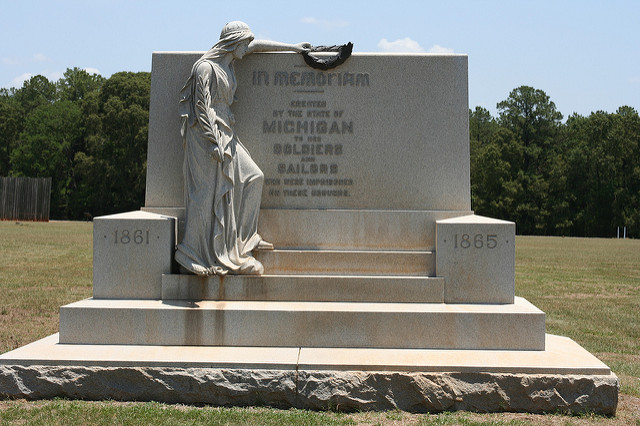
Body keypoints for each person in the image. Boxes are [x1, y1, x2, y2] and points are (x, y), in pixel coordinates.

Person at [175, 21, 310, 276]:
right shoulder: (205, 67)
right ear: (234, 43)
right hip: (205, 137)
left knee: (253, 177)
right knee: (205, 196)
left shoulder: (230, 63)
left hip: (226, 131)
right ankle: (191, 254)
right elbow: (201, 106)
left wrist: (293, 48)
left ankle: (243, 243)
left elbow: (257, 47)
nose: (248, 47)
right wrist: (212, 140)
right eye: (245, 42)